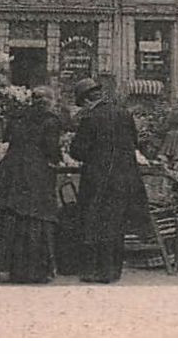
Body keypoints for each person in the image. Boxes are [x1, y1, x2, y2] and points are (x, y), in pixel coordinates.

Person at [0, 87, 63, 283]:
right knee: (35, 218)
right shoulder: (50, 120)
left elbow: (7, 139)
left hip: (11, 170)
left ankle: (7, 267)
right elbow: (51, 149)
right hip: (35, 172)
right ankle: (34, 270)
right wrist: (57, 158)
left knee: (10, 217)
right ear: (49, 101)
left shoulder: (17, 117)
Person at [67, 77, 145, 283]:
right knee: (115, 223)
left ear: (86, 101)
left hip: (98, 180)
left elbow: (77, 151)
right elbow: (135, 142)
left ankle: (95, 271)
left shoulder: (90, 118)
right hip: (123, 179)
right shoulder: (124, 114)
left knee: (94, 223)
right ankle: (112, 271)